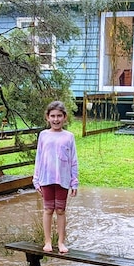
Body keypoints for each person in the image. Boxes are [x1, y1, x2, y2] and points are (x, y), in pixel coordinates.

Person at [33, 101, 78, 253]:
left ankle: (61, 242)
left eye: (59, 116)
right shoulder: (43, 135)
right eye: (52, 116)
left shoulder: (69, 137)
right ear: (47, 117)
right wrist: (36, 179)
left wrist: (74, 182)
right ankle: (47, 241)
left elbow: (73, 160)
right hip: (46, 179)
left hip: (62, 180)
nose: (56, 119)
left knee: (60, 211)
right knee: (48, 210)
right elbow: (38, 158)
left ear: (65, 117)